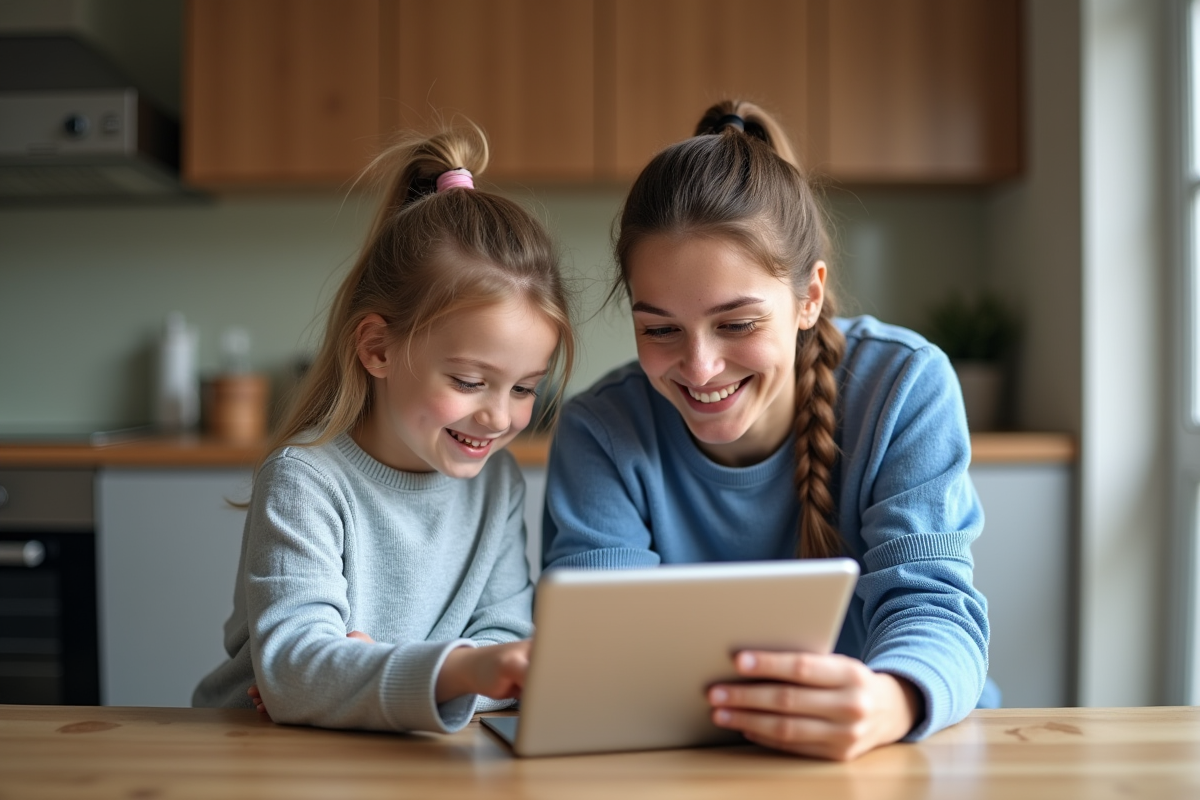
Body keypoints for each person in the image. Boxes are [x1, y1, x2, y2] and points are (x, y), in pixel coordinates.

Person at [541, 100, 994, 761]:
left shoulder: (903, 386)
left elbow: (933, 606)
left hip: (894, 753)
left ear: (809, 297)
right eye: (660, 329)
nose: (700, 367)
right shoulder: (601, 430)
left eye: (737, 324)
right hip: (690, 764)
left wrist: (890, 701)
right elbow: (602, 658)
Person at [192, 123, 574, 735]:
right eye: (469, 381)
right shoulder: (305, 479)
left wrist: (374, 673)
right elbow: (295, 676)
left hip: (399, 751)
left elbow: (507, 645)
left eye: (525, 388)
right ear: (377, 349)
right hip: (263, 756)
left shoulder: (494, 480)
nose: (500, 417)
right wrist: (456, 671)